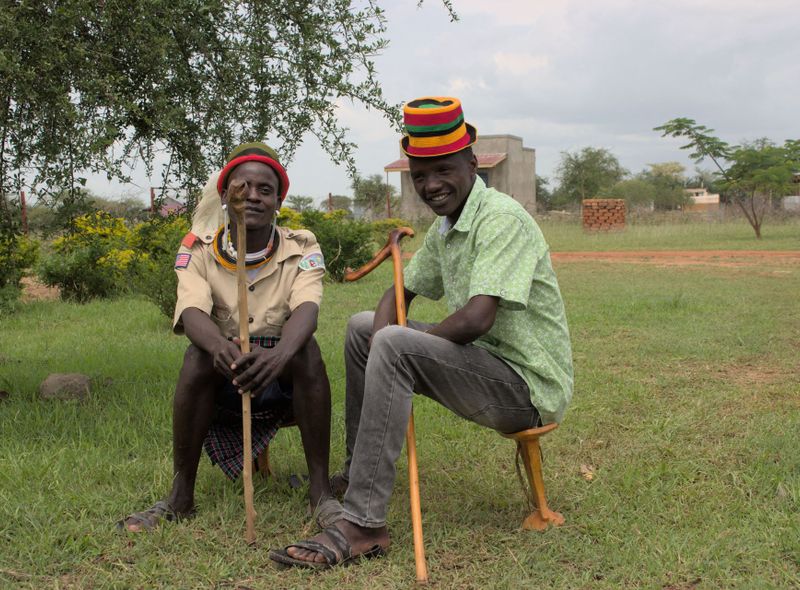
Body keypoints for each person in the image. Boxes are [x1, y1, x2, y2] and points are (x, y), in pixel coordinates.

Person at [269, 97, 573, 569]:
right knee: (363, 328)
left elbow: (476, 319)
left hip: (526, 387)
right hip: (485, 365)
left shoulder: (501, 219)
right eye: (420, 175)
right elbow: (400, 292)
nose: (431, 185)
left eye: (443, 170)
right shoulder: (448, 226)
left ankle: (364, 525)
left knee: (391, 341)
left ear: (472, 163)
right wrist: (383, 336)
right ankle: (356, 474)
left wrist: (394, 345)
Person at [119, 142, 341, 532]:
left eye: (265, 190)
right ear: (224, 195)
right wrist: (221, 349)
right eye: (242, 187)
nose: (253, 196)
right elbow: (191, 311)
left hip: (281, 382)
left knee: (306, 352)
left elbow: (308, 308)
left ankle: (321, 494)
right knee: (196, 357)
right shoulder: (197, 249)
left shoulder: (302, 246)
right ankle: (180, 498)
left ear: (278, 201)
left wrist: (278, 356)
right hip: (227, 379)